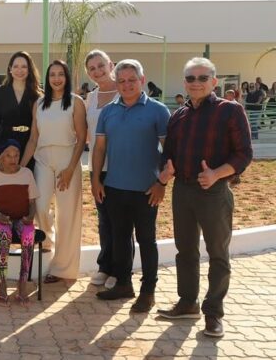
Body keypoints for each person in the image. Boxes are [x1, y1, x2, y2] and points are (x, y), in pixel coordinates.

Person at [157, 57, 252, 337]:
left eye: (202, 78)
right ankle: (188, 303)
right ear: (184, 83)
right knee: (185, 251)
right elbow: (169, 154)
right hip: (183, 191)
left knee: (218, 254)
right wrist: (166, 171)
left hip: (214, 192)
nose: (195, 83)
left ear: (214, 82)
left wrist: (217, 173)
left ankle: (213, 313)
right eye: (190, 78)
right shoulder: (179, 116)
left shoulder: (230, 111)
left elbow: (244, 154)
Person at [92, 59, 170, 313]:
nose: (126, 85)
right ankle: (123, 284)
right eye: (122, 81)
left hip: (147, 190)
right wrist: (95, 180)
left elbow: (169, 151)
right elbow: (100, 148)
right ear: (116, 82)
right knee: (120, 239)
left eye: (131, 80)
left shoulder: (158, 111)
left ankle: (148, 291)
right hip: (114, 187)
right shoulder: (108, 112)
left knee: (147, 241)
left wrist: (161, 183)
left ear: (142, 80)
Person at [20, 60, 86, 283]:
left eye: (61, 74)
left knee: (67, 215)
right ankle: (47, 240)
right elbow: (33, 139)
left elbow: (81, 139)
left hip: (68, 159)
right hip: (43, 159)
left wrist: (70, 169)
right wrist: (20, 168)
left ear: (67, 78)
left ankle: (62, 269)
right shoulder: (39, 104)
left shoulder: (76, 102)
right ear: (47, 79)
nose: (56, 79)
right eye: (52, 75)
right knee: (39, 205)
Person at [83, 50, 125, 290]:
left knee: (121, 220)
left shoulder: (125, 91)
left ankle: (120, 270)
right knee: (104, 219)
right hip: (98, 167)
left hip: (123, 166)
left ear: (110, 65)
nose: (98, 71)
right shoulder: (91, 97)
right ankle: (105, 266)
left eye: (101, 66)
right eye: (92, 69)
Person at [0, 139, 38, 306]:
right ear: (0, 158)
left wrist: (30, 216)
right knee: (5, 237)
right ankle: (2, 282)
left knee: (29, 238)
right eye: (8, 156)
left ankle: (22, 282)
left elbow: (32, 202)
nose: (13, 159)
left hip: (22, 218)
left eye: (16, 155)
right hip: (2, 220)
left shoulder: (27, 173)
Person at [0, 51, 43, 169]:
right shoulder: (1, 92)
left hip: (30, 149)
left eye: (24, 66)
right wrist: (1, 153)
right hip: (6, 147)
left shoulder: (37, 95)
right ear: (10, 69)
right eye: (16, 66)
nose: (20, 70)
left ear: (29, 70)